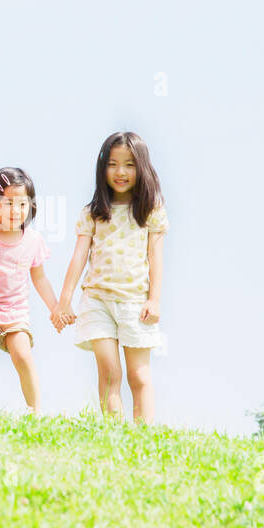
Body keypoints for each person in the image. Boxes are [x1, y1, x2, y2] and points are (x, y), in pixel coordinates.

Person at [53, 131, 167, 423]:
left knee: (138, 375)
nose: (120, 172)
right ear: (102, 167)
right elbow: (79, 257)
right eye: (113, 164)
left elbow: (155, 257)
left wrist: (154, 300)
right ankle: (113, 434)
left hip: (135, 303)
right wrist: (63, 302)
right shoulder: (93, 213)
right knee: (109, 372)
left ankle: (143, 437)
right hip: (97, 300)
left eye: (129, 164)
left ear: (142, 168)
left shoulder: (150, 211)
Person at [0, 167, 56, 414]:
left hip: (15, 313)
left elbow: (40, 279)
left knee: (22, 355)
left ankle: (35, 412)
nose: (16, 211)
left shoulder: (33, 240)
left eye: (22, 204)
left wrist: (56, 308)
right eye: (8, 203)